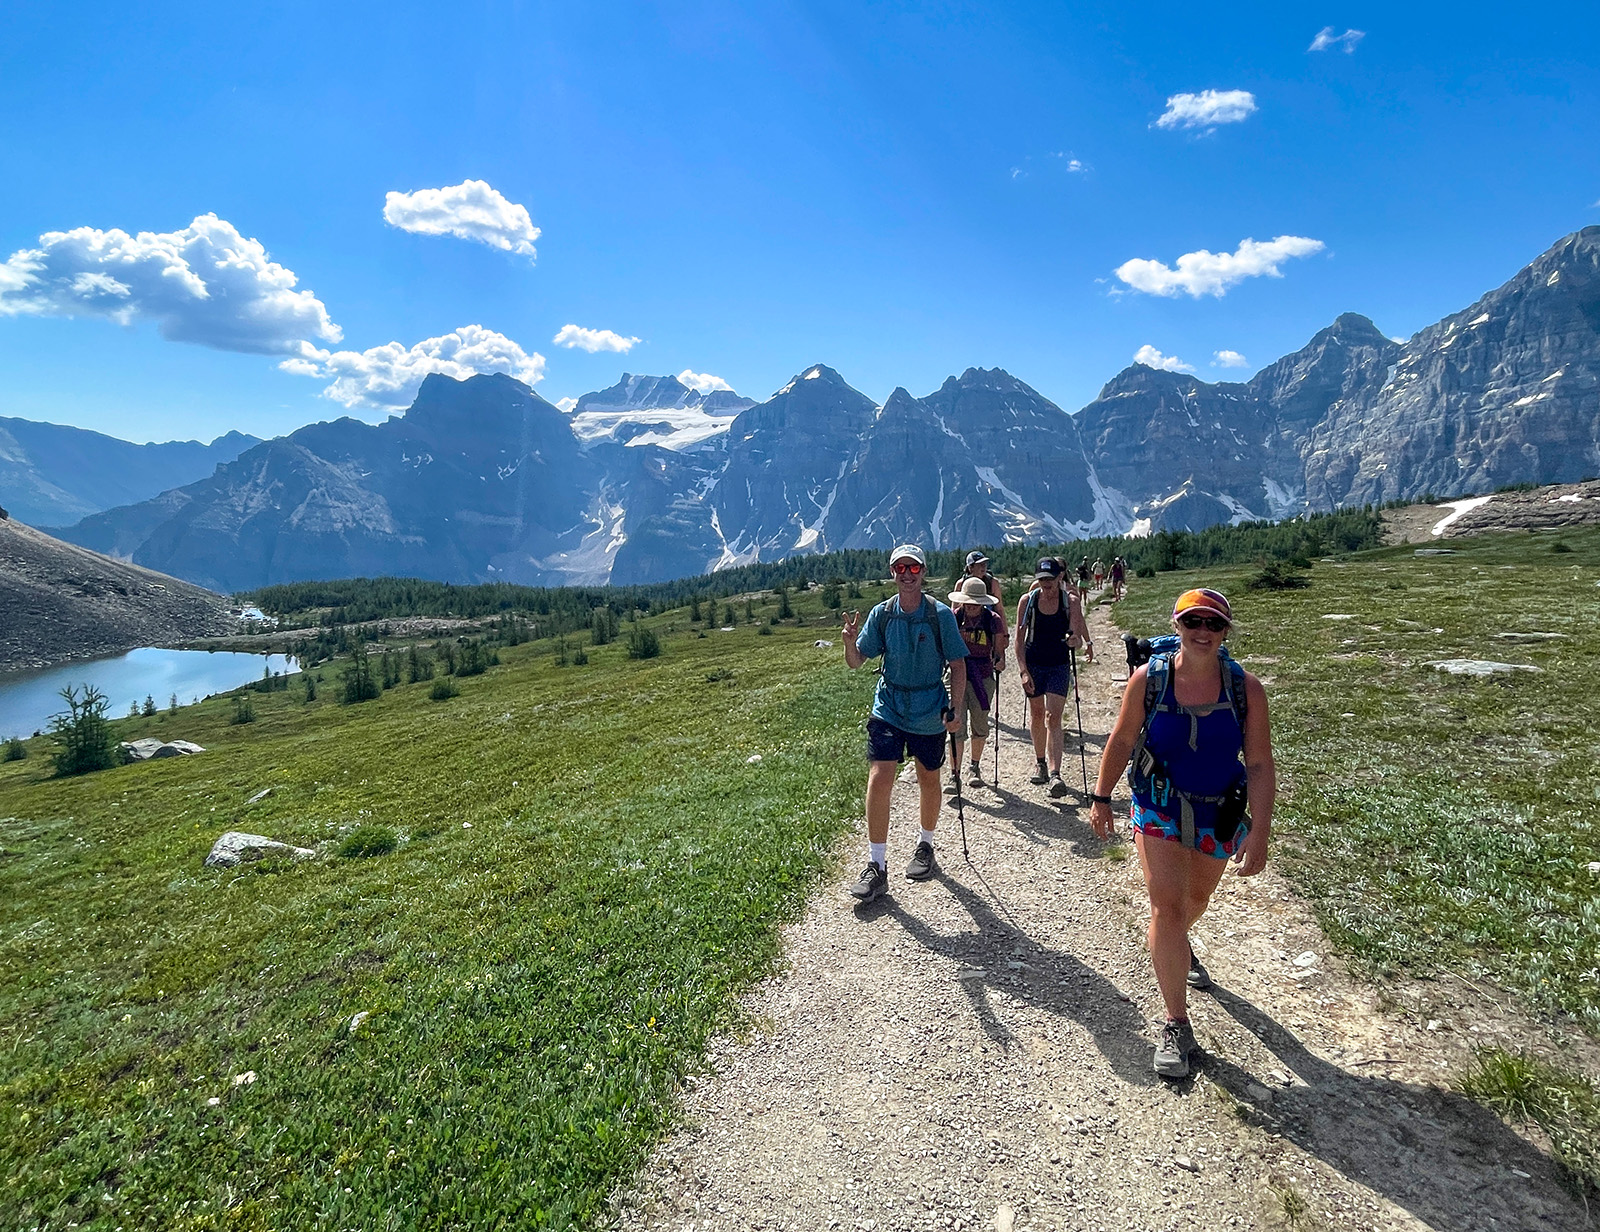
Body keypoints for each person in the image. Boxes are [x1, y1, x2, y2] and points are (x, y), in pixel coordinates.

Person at [1087, 588, 1275, 1079]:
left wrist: (1261, 833)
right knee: (1167, 905)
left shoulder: (1246, 690)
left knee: (1194, 901)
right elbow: (1124, 738)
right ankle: (1176, 1022)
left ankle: (1178, 944)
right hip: (1158, 806)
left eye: (1214, 625)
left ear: (1226, 632)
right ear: (1177, 625)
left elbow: (1257, 762)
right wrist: (1102, 796)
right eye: (1194, 622)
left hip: (1219, 812)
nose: (1203, 632)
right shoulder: (1148, 681)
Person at [842, 544, 968, 903]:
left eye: (913, 569)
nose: (907, 575)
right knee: (880, 776)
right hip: (890, 706)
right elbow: (856, 662)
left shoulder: (939, 615)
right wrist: (849, 644)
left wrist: (955, 709)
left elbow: (958, 665)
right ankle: (876, 866)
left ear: (923, 572)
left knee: (929, 777)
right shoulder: (882, 614)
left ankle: (925, 846)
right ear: (893, 573)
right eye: (901, 568)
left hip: (929, 709)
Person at [1015, 558, 1092, 798]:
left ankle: (1055, 772)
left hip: (1059, 664)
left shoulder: (1071, 602)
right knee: (1037, 713)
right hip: (1034, 663)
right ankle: (1040, 763)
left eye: (1049, 581)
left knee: (1053, 716)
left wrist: (1076, 641)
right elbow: (1018, 640)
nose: (1045, 586)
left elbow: (1077, 637)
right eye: (1041, 581)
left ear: (1060, 578)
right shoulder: (1027, 602)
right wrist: (1023, 671)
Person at [947, 576, 1005, 788]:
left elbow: (998, 652)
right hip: (956, 675)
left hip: (982, 677)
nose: (971, 606)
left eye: (975, 602)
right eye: (968, 601)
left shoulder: (993, 620)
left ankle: (974, 766)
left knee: (979, 725)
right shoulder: (953, 618)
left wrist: (999, 661)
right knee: (955, 723)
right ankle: (955, 774)